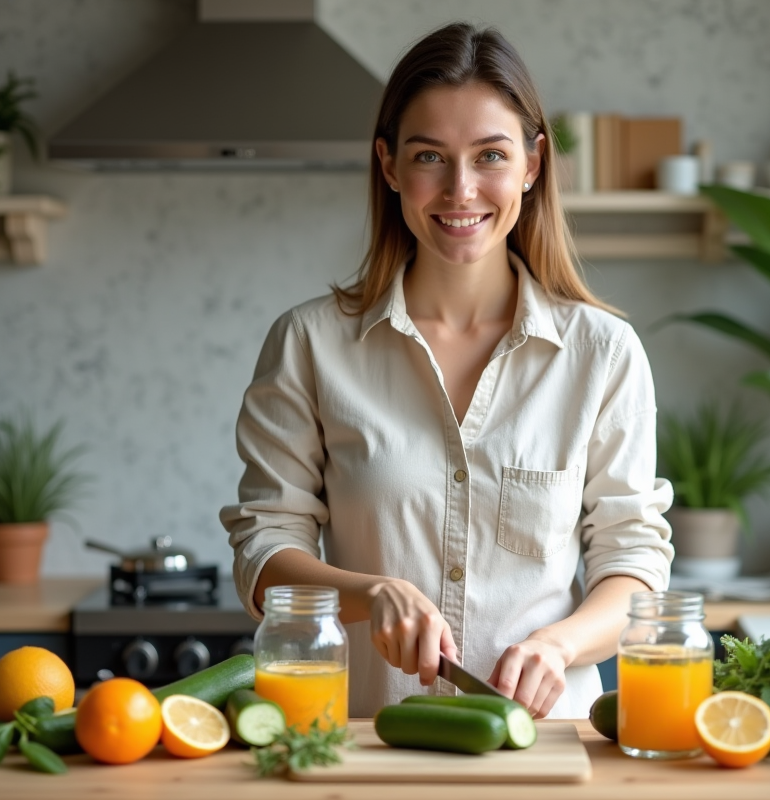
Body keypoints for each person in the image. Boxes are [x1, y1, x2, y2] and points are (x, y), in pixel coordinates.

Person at [220, 21, 674, 720]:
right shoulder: (308, 344)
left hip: (543, 748)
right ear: (390, 164)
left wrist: (559, 645)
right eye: (430, 155)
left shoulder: (603, 354)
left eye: (490, 154)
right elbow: (265, 550)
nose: (460, 190)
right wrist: (371, 593)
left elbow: (634, 564)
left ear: (532, 164)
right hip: (363, 748)